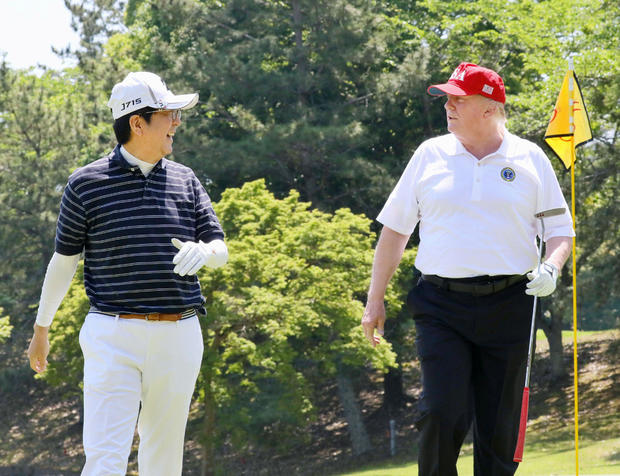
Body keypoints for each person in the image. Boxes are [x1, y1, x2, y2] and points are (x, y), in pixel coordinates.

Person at [361, 62, 574, 475]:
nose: (449, 106)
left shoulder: (529, 158)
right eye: (447, 99)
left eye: (459, 99)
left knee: (499, 427)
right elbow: (394, 232)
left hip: (513, 305)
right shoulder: (430, 155)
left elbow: (560, 231)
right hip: (441, 305)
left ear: (490, 108)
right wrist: (375, 300)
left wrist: (551, 266)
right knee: (441, 413)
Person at [27, 71, 228, 476]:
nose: (177, 122)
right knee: (105, 458)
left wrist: (205, 252)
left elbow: (220, 248)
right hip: (113, 334)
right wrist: (42, 327)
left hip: (180, 334)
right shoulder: (85, 184)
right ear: (137, 122)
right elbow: (64, 260)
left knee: (164, 460)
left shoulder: (186, 179)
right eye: (168, 114)